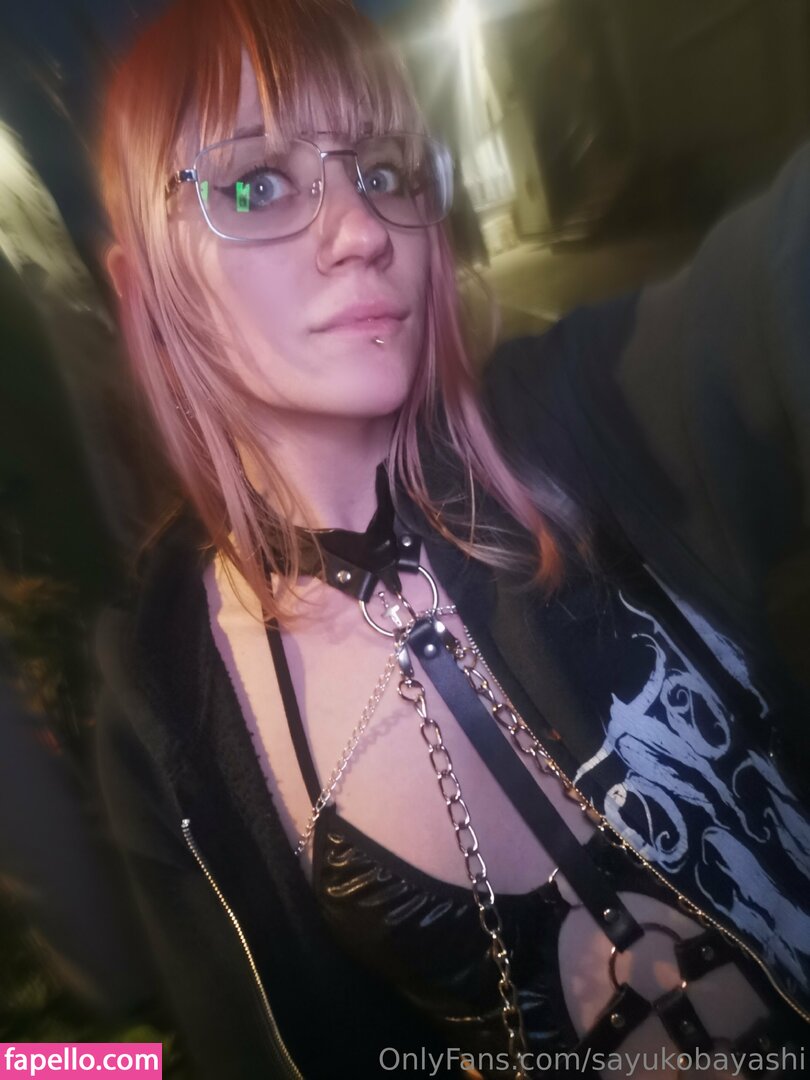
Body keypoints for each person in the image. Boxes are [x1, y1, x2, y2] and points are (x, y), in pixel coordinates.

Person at [96, 0, 810, 1076]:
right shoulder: (168, 717)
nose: (363, 231)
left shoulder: (585, 423)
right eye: (256, 185)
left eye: (383, 170)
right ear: (143, 286)